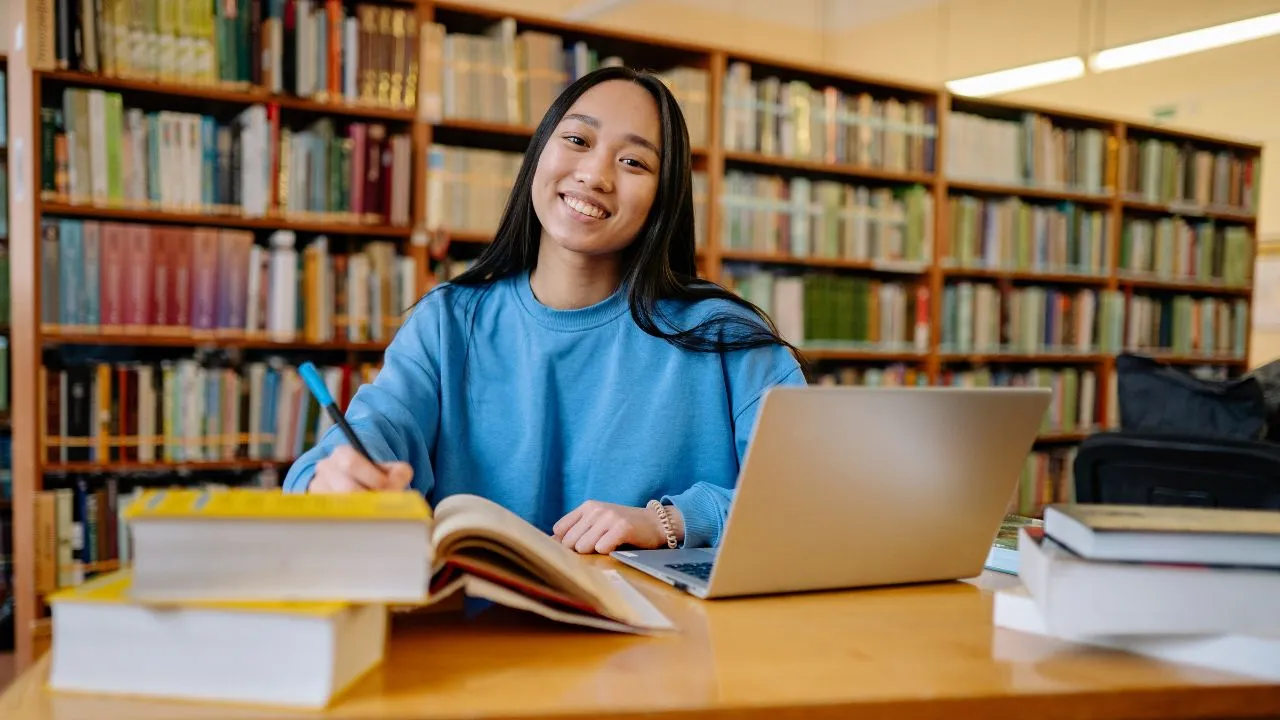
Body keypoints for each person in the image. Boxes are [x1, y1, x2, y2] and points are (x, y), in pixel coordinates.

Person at [282, 65, 806, 554]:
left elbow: (811, 500)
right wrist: (335, 476)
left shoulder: (727, 337)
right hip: (480, 643)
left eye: (633, 162)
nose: (595, 176)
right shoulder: (447, 324)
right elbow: (377, 428)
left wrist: (672, 521)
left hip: (669, 645)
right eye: (577, 140)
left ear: (663, 197)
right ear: (538, 154)